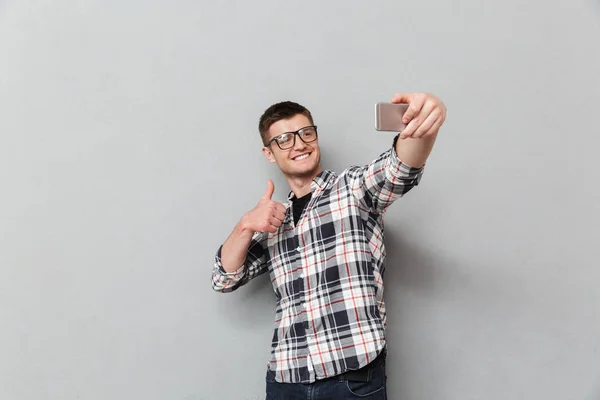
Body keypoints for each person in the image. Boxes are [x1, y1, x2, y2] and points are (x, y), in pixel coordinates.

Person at [211, 92, 446, 399]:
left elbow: (399, 168)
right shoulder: (271, 220)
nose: (298, 144)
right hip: (285, 379)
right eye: (284, 139)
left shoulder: (353, 190)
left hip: (351, 376)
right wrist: (245, 226)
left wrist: (424, 123)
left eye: (305, 133)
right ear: (269, 153)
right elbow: (223, 277)